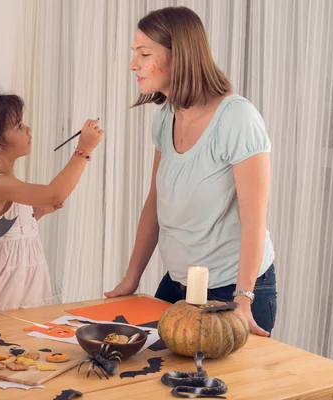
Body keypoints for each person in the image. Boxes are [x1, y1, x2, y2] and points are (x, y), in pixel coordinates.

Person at [105, 6, 277, 336]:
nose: (133, 65)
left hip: (234, 289)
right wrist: (131, 277)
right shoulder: (166, 116)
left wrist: (243, 301)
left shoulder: (237, 118)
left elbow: (255, 219)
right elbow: (155, 202)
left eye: (144, 53)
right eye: (134, 53)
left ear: (180, 55)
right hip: (178, 284)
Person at [0, 88, 104, 314]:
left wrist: (35, 214)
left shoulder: (8, 182)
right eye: (18, 126)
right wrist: (83, 149)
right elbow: (55, 193)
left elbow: (4, 234)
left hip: (20, 292)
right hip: (0, 298)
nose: (28, 129)